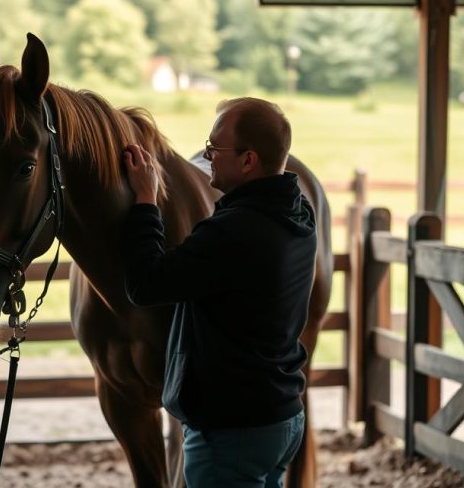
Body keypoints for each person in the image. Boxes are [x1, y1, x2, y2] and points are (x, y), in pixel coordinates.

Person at [121, 97, 317, 488]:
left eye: (214, 148)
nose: (207, 155)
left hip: (231, 433)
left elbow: (145, 284)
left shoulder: (233, 231)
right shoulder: (298, 212)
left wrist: (145, 201)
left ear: (248, 160)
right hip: (281, 419)